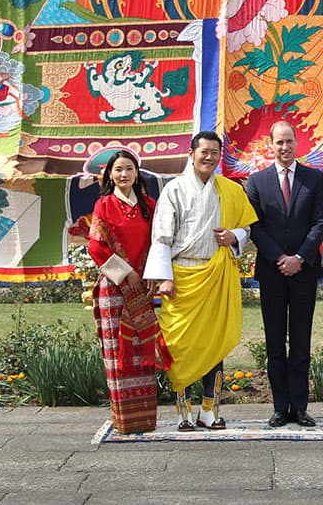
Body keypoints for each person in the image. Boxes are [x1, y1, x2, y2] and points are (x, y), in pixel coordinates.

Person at [144, 130, 258, 430]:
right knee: (180, 345)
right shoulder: (175, 190)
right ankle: (184, 411)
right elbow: (161, 237)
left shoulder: (230, 189)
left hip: (217, 275)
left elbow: (247, 227)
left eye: (215, 153)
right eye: (204, 151)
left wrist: (235, 236)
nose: (209, 157)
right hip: (181, 276)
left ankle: (210, 410)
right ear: (191, 153)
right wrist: (164, 279)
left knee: (215, 343)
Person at [245, 121, 323, 428]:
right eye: (279, 142)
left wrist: (299, 258)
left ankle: (301, 407)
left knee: (302, 341)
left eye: (289, 141)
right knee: (275, 341)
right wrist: (280, 257)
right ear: (271, 145)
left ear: (297, 143)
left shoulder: (314, 179)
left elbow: (320, 222)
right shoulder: (256, 182)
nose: (284, 147)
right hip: (272, 272)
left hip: (304, 272)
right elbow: (255, 226)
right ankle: (281, 408)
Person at [87, 149, 167, 434]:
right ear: (110, 174)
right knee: (117, 351)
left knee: (141, 350)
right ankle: (124, 420)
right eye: (118, 169)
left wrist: (149, 275)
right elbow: (96, 246)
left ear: (137, 173)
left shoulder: (148, 204)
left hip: (142, 287)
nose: (124, 174)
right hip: (115, 286)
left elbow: (159, 241)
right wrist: (126, 273)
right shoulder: (104, 205)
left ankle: (145, 419)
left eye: (129, 169)